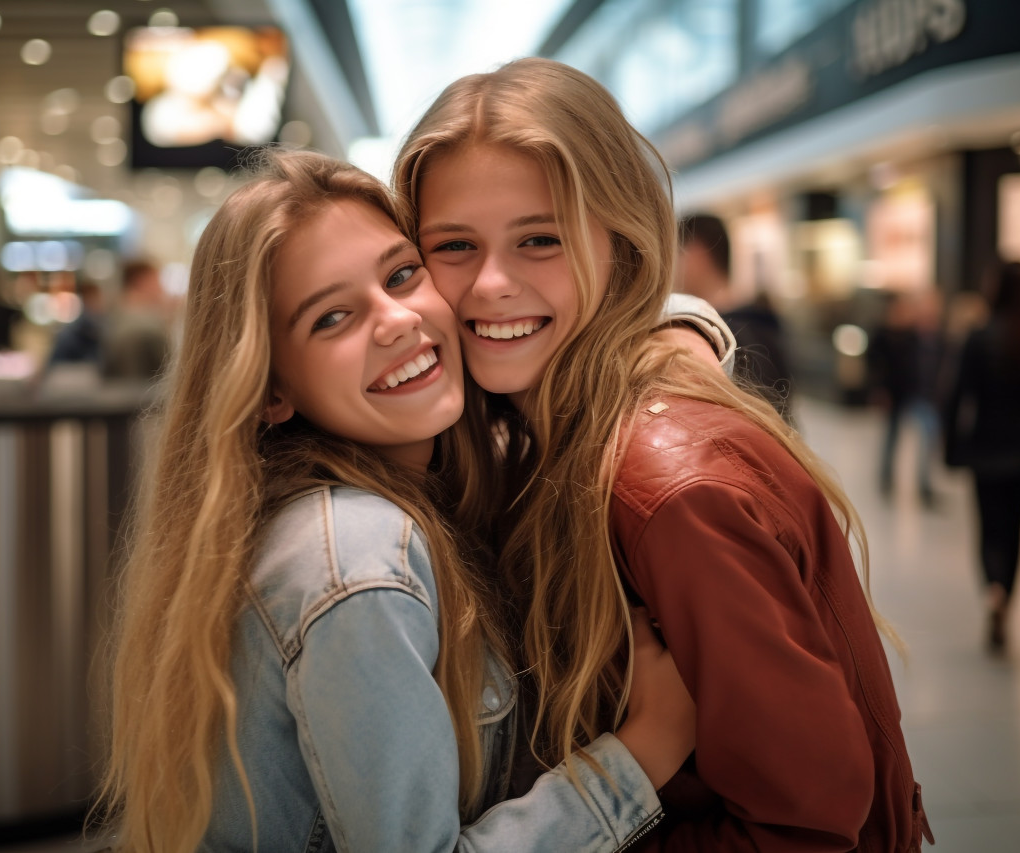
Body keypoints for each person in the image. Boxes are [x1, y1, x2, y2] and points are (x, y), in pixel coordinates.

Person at [395, 57, 930, 851]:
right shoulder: (542, 425)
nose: (490, 284)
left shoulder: (668, 488)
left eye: (540, 238)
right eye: (454, 245)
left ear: (622, 243)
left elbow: (806, 826)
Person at [97, 149, 698, 852]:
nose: (395, 321)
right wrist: (642, 753)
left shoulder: (425, 478)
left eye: (402, 274)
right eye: (331, 318)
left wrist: (682, 330)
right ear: (270, 392)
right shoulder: (357, 558)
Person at [943, 261, 1020, 653]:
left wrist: (951, 447)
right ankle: (1007, 591)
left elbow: (957, 396)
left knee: (989, 528)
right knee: (1015, 530)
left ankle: (993, 590)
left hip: (985, 447)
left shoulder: (979, 337)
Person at [677, 213, 794, 419]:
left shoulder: (725, 336)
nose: (673, 267)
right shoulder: (760, 323)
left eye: (678, 254)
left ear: (697, 254)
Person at [869, 288, 946, 507]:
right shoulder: (888, 334)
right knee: (891, 438)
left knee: (927, 440)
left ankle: (924, 486)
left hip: (919, 395)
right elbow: (878, 364)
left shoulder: (920, 335)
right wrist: (881, 389)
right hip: (898, 395)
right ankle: (886, 479)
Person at [101, 260, 171, 380]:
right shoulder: (145, 327)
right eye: (156, 281)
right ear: (141, 282)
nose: (161, 287)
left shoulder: (117, 318)